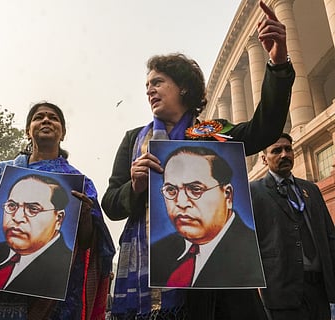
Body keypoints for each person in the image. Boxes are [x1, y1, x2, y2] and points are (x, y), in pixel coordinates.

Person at [101, 1, 295, 319]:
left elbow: (264, 129)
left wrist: (277, 63)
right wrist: (134, 188)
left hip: (216, 282)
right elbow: (111, 204)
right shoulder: (134, 140)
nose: (150, 89)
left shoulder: (209, 132)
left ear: (184, 87)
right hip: (151, 281)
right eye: (147, 84)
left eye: (158, 82)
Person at [0, 101, 115, 320]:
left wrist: (84, 217)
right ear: (28, 131)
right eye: (39, 117)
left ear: (63, 133)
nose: (46, 120)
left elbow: (88, 245)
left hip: (49, 302)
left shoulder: (79, 185)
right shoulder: (0, 173)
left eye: (53, 118)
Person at [150, 146, 264, 288]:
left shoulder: (253, 251)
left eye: (195, 189)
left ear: (227, 195)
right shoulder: (156, 253)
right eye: (171, 190)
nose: (181, 202)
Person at [250, 133, 335, 320]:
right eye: (276, 150)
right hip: (282, 292)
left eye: (288, 149)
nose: (284, 155)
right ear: (264, 159)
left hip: (320, 290)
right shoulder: (253, 192)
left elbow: (330, 236)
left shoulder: (311, 190)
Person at [0, 174, 73, 299]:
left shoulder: (65, 270)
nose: (17, 218)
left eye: (33, 209)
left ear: (59, 219)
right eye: (12, 206)